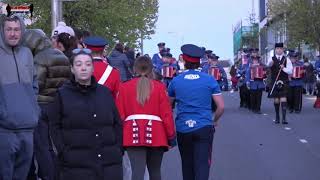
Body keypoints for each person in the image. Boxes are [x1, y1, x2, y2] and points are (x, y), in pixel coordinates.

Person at [48, 48, 123, 180]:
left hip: (108, 164)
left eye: (88, 64)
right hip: (75, 166)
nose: (83, 68)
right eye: (79, 64)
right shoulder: (62, 95)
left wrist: (118, 149)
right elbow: (54, 127)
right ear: (72, 69)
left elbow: (116, 123)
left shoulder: (104, 93)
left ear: (93, 69)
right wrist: (63, 152)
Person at [168, 44, 224, 180]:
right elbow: (221, 107)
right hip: (204, 126)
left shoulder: (175, 81)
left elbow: (168, 106)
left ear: (184, 62)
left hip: (183, 128)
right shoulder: (209, 79)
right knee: (203, 165)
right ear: (199, 62)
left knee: (187, 166)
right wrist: (214, 120)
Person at [116, 56, 176, 180]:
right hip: (157, 133)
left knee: (137, 173)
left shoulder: (124, 87)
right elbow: (166, 114)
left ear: (134, 69)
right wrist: (171, 136)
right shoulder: (159, 87)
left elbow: (119, 116)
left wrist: (119, 137)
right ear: (151, 69)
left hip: (132, 133)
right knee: (155, 172)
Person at [23, 29, 71, 180]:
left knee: (41, 146)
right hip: (58, 105)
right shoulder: (62, 56)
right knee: (54, 145)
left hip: (41, 105)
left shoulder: (39, 59)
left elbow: (36, 84)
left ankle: (47, 176)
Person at [0, 15, 40, 180]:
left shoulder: (27, 54)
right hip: (4, 130)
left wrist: (33, 111)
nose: (13, 33)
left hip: (27, 128)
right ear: (2, 31)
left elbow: (34, 85)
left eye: (16, 29)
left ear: (22, 31)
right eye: (9, 29)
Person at [267, 43, 293, 124]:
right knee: (276, 99)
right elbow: (268, 65)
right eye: (277, 48)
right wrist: (270, 64)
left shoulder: (286, 59)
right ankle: (277, 117)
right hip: (274, 81)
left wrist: (283, 68)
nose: (279, 50)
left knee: (283, 98)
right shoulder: (271, 58)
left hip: (284, 80)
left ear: (283, 50)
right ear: (275, 50)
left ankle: (284, 118)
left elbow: (290, 71)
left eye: (280, 48)